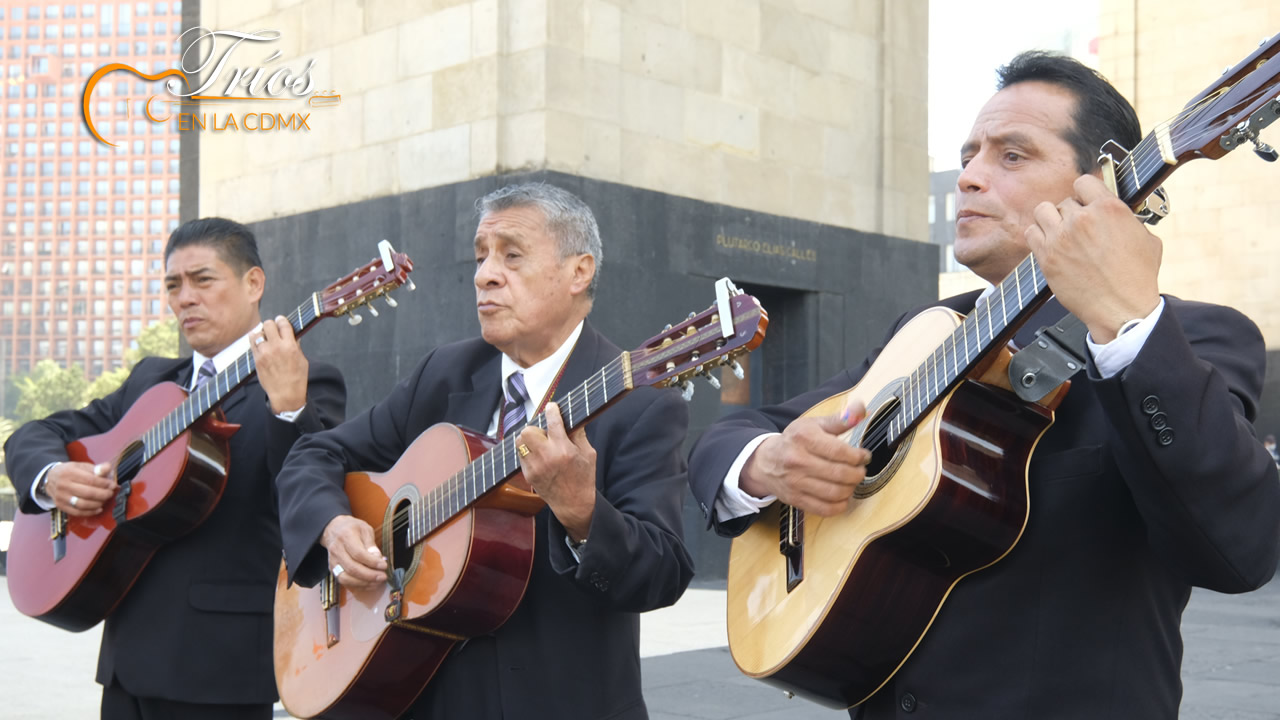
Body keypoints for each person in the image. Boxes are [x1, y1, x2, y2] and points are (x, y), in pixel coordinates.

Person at [689, 51, 1280, 719]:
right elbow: (733, 435)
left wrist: (1126, 322)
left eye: (1012, 156)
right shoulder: (932, 330)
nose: (968, 177)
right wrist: (768, 464)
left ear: (1100, 181)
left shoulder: (1191, 338)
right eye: (968, 155)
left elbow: (1241, 549)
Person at [275, 182, 694, 720]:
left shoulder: (641, 404)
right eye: (480, 257)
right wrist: (332, 526)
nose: (484, 274)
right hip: (418, 694)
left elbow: (664, 573)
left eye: (512, 256)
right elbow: (314, 456)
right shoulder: (444, 373)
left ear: (579, 272)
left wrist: (583, 514)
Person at [6, 217, 346, 720]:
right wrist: (50, 477)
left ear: (254, 283)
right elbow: (34, 435)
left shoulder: (308, 381)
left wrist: (290, 406)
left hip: (220, 667)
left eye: (203, 280)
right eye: (173, 285)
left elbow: (307, 495)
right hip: (126, 661)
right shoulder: (151, 379)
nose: (185, 298)